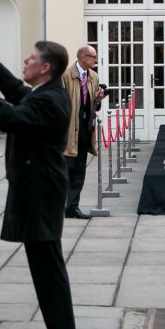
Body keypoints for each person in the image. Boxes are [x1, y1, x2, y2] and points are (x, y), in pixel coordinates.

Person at [0, 36, 78, 329]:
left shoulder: (49, 99)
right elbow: (16, 93)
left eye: (30, 58)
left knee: (48, 270)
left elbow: (9, 118)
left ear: (45, 67)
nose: (25, 61)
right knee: (45, 266)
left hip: (40, 191)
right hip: (39, 188)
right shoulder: (46, 92)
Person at [60, 45, 105, 219]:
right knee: (65, 171)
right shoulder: (66, 76)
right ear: (83, 57)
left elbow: (93, 105)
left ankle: (72, 207)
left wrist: (98, 99)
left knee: (79, 171)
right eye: (93, 57)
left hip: (85, 129)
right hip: (69, 131)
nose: (95, 59)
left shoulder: (93, 76)